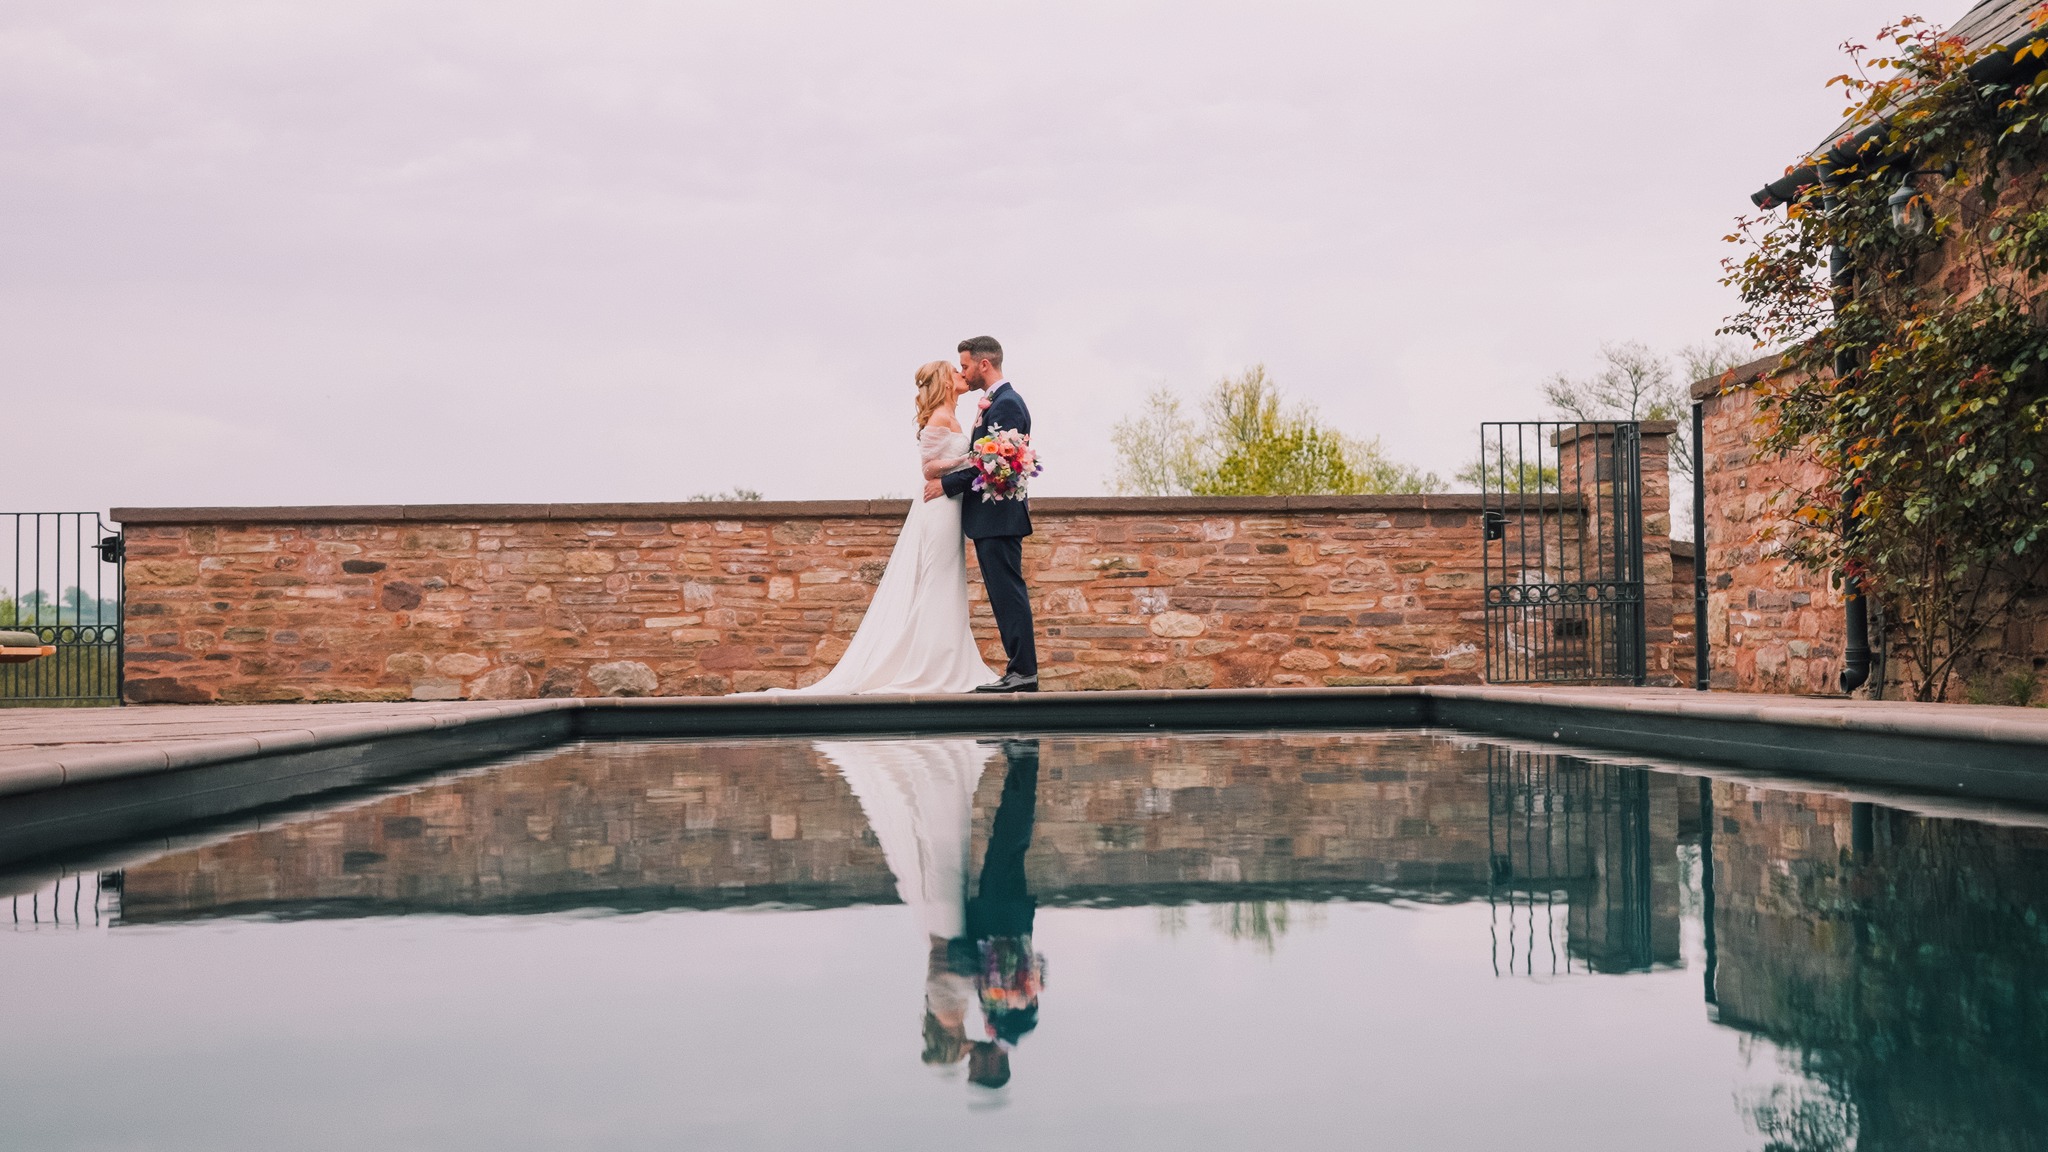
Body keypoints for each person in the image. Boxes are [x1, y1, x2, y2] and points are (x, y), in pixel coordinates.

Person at [767, 361, 999, 694]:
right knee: (937, 577)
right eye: (956, 371)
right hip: (938, 507)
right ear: (946, 383)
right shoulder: (939, 418)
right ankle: (930, 664)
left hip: (952, 507)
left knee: (948, 579)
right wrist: (969, 460)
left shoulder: (956, 417)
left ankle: (948, 658)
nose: (963, 375)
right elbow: (928, 468)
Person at [925, 336, 1038, 693]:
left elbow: (995, 463)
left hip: (999, 517)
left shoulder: (1007, 404)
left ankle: (1023, 673)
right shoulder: (996, 403)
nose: (964, 372)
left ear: (983, 365)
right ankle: (1019, 671)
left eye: (966, 366)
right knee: (1004, 594)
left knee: (1009, 594)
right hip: (992, 519)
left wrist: (947, 486)